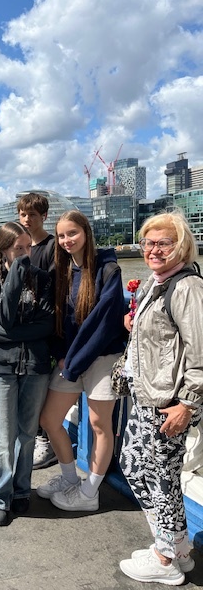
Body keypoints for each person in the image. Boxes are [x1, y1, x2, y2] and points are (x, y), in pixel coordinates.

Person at [118, 211, 203, 586]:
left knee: (159, 479)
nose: (153, 249)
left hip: (168, 404)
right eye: (148, 243)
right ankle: (178, 547)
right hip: (147, 395)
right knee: (134, 466)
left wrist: (188, 404)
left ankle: (165, 558)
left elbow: (200, 353)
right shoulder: (159, 283)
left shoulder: (187, 288)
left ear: (181, 246)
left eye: (163, 243)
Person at [37, 210, 125, 511]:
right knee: (50, 420)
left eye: (72, 233)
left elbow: (103, 323)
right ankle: (69, 477)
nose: (66, 240)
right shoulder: (61, 272)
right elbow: (56, 319)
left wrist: (73, 361)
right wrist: (62, 355)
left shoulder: (107, 269)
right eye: (61, 235)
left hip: (102, 357)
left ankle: (90, 492)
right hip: (70, 361)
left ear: (86, 232)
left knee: (99, 424)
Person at [0, 222, 55, 526]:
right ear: (4, 251)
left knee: (27, 434)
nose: (25, 254)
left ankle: (22, 489)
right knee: (3, 436)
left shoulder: (44, 280)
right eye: (18, 249)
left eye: (28, 248)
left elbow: (47, 325)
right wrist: (15, 274)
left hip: (35, 366)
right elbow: (5, 316)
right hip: (1, 367)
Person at [17, 192, 58, 470]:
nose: (27, 219)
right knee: (27, 388)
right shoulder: (20, 245)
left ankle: (46, 441)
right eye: (23, 214)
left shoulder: (52, 246)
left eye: (32, 214)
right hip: (23, 328)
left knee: (43, 388)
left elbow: (53, 284)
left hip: (44, 327)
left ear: (44, 216)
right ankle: (32, 437)